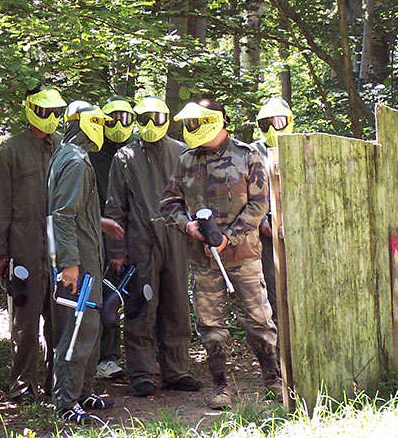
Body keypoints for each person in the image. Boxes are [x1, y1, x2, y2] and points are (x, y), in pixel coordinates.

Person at [160, 99, 281, 410]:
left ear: (214, 121)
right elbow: (169, 204)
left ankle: (273, 380)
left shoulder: (247, 155)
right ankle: (221, 387)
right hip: (203, 261)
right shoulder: (187, 161)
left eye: (196, 123)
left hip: (244, 255)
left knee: (259, 321)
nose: (191, 130)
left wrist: (229, 237)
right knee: (211, 326)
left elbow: (259, 205)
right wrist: (188, 227)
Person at [105, 96, 202, 397]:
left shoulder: (182, 152)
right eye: (144, 118)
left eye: (156, 119)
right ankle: (142, 374)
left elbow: (195, 199)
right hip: (139, 240)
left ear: (167, 119)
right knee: (141, 307)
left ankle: (176, 371)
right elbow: (115, 207)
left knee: (176, 306)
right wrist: (116, 252)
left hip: (175, 236)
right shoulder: (125, 157)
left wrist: (196, 235)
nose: (150, 125)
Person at [0, 86, 66, 402]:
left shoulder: (63, 147)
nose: (50, 118)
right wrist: (0, 251)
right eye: (45, 112)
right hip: (24, 248)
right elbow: (1, 202)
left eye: (55, 112)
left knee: (59, 319)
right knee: (26, 322)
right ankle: (22, 385)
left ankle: (58, 381)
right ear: (32, 110)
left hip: (60, 249)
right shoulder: (11, 150)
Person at [47, 100, 115, 423]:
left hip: (87, 257)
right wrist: (69, 264)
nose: (100, 128)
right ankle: (66, 401)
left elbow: (80, 215)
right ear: (82, 122)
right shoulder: (74, 161)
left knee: (89, 326)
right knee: (78, 327)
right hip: (79, 263)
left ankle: (83, 391)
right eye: (96, 121)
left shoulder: (70, 155)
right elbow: (62, 216)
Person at [88, 96, 137, 380]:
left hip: (135, 238)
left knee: (131, 298)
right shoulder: (91, 155)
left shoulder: (136, 152)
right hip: (99, 241)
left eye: (126, 119)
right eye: (113, 119)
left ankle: (136, 356)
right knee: (104, 298)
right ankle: (105, 356)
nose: (120, 125)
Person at [251, 97, 294, 333]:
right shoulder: (252, 153)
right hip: (266, 239)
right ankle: (279, 357)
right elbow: (241, 195)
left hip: (300, 236)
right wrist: (260, 221)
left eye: (277, 122)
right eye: (265, 124)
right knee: (273, 294)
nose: (271, 129)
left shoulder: (304, 147)